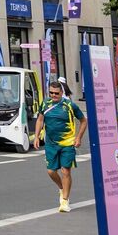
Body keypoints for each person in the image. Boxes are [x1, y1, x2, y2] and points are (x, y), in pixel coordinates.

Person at [33, 80, 86, 213]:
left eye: (56, 93)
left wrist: (78, 137)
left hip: (67, 143)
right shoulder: (45, 103)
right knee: (51, 171)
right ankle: (62, 188)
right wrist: (36, 136)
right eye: (51, 92)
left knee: (65, 171)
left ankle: (65, 200)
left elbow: (83, 121)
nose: (53, 95)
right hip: (51, 144)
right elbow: (40, 119)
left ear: (62, 92)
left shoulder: (69, 105)